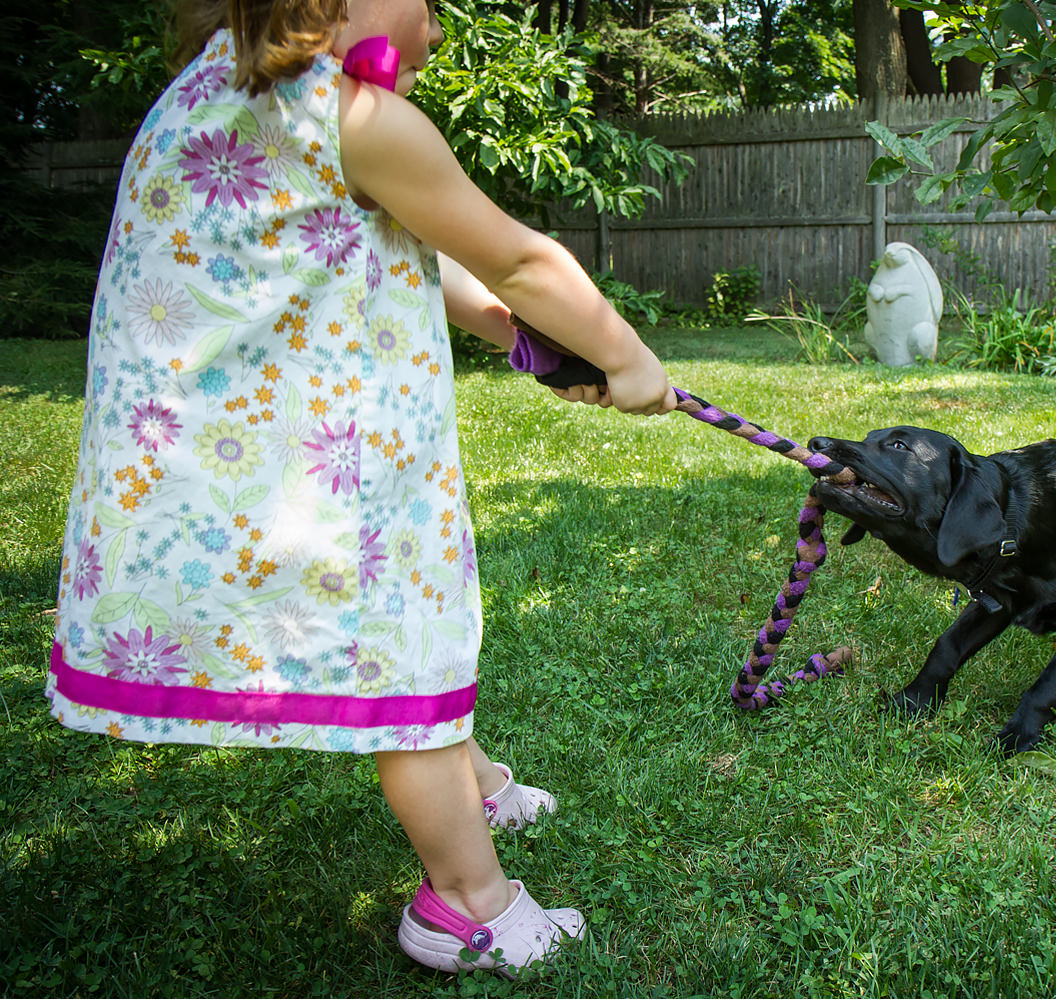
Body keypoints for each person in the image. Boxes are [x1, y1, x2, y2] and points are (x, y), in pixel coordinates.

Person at [44, 0, 675, 975]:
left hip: (208, 475)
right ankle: (467, 902)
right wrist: (629, 361)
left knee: (412, 629)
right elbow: (518, 254)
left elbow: (428, 257)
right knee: (403, 649)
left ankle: (477, 780)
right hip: (317, 482)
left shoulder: (210, 96)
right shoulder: (358, 119)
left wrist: (517, 333)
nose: (435, 22)